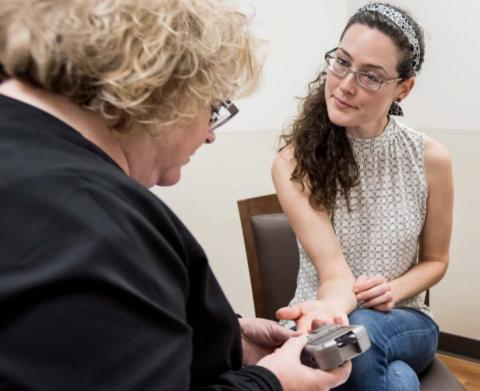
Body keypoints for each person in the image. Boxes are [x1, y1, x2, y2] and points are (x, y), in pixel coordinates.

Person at [0, 1, 350, 390]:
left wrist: (229, 337)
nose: (209, 133)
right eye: (213, 108)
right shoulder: (97, 225)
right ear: (166, 90)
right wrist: (274, 383)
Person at [272, 3, 454, 390]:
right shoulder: (294, 162)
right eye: (341, 62)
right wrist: (331, 311)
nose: (345, 85)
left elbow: (436, 261)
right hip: (322, 318)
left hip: (405, 320)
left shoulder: (430, 159)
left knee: (361, 332)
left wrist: (395, 289)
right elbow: (333, 272)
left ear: (403, 87)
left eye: (370, 76)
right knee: (394, 376)